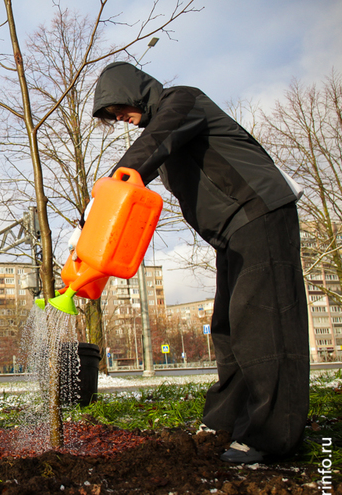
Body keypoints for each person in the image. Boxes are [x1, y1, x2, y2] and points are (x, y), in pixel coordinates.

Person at [80, 61, 308, 463]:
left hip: (260, 214)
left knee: (264, 323)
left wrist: (111, 185)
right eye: (113, 118)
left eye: (118, 110)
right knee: (227, 326)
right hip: (231, 234)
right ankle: (224, 420)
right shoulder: (163, 133)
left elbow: (156, 139)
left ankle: (272, 437)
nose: (120, 120)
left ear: (134, 91)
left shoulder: (182, 101)